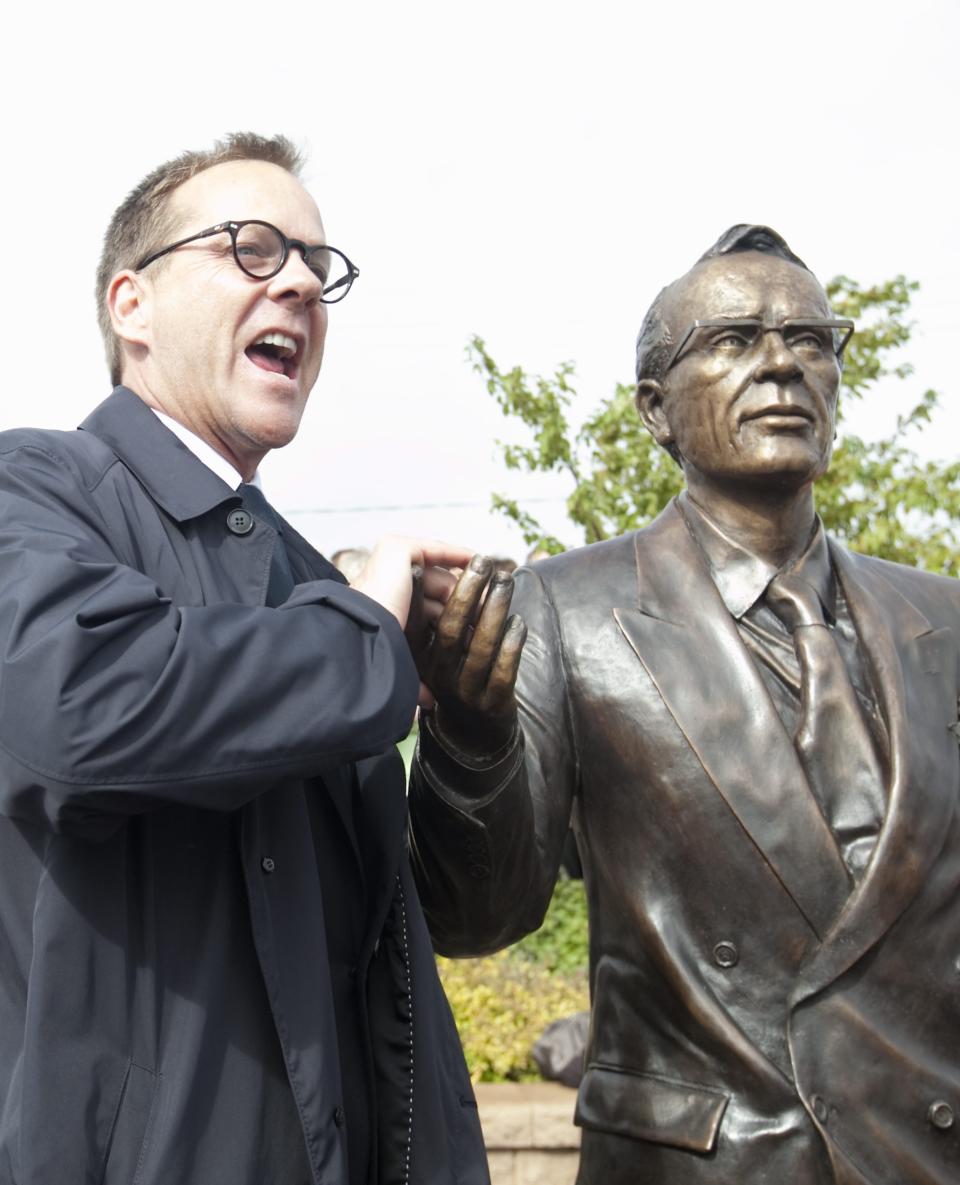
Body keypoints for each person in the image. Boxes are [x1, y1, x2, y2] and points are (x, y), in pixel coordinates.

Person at [409, 225, 960, 1184]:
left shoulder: (942, 619)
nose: (783, 363)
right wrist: (470, 733)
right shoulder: (565, 610)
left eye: (811, 340)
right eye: (734, 340)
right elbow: (473, 917)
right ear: (656, 410)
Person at [0, 133, 489, 1185]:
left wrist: (468, 726)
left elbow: (418, 928)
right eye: (252, 248)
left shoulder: (317, 586)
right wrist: (362, 635)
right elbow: (80, 713)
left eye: (319, 265)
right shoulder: (33, 488)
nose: (304, 284)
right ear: (131, 304)